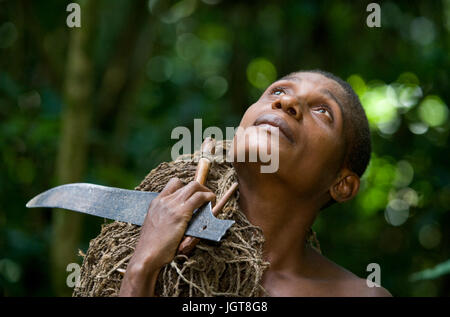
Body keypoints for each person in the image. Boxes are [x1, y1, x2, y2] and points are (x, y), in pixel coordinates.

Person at [119, 70, 392, 297]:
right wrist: (143, 263)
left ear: (342, 184)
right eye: (277, 91)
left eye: (323, 111)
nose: (286, 103)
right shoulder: (155, 254)